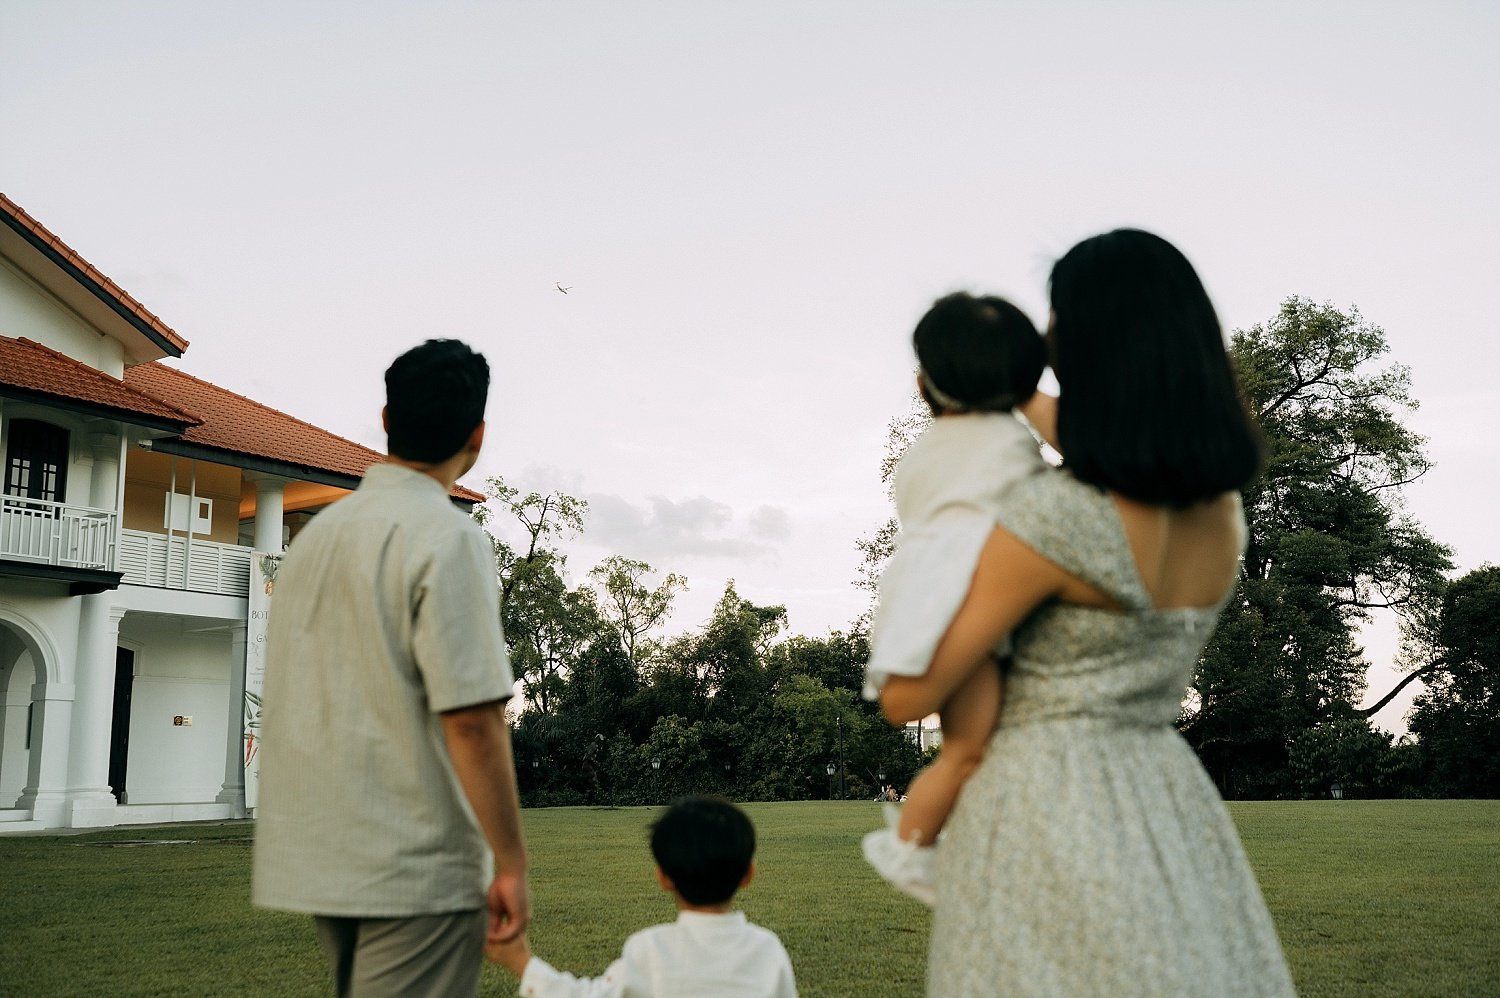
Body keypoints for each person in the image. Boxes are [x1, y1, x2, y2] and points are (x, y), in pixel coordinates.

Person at [880, 230, 1297, 996]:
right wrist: (1010, 390)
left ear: (1079, 345)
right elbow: (1123, 440)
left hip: (1044, 805)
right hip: (1163, 794)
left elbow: (911, 693)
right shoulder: (1222, 511)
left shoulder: (1057, 521)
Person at [252, 339, 529, 997]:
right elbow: (472, 721)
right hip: (412, 859)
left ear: (385, 419)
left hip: (323, 850)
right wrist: (512, 862)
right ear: (478, 435)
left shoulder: (316, 538)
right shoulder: (449, 536)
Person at [859, 292, 1048, 905]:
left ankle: (916, 847)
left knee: (963, 749)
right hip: (975, 585)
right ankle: (915, 850)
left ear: (923, 385)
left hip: (923, 584)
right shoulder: (1014, 442)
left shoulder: (919, 458)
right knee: (973, 748)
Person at [487, 795, 797, 997]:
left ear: (663, 877)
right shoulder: (768, 951)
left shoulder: (650, 949)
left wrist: (520, 961)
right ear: (748, 875)